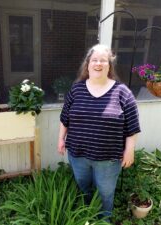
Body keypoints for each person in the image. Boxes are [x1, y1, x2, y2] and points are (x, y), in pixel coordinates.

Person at [57, 44, 141, 220]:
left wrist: (130, 150)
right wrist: (61, 140)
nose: (98, 64)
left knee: (105, 193)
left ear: (109, 66)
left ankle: (104, 220)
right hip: (78, 154)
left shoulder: (122, 92)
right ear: (87, 65)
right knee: (84, 188)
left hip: (108, 159)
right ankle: (86, 216)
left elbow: (132, 126)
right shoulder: (76, 89)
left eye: (103, 60)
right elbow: (65, 118)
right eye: (94, 60)